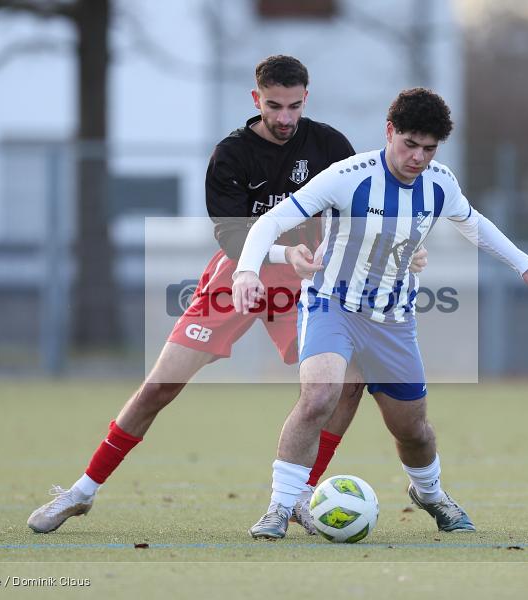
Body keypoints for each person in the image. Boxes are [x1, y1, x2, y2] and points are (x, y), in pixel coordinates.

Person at [27, 55, 427, 534]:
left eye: (294, 106)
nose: (284, 118)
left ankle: (300, 497)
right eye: (274, 106)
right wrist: (278, 258)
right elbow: (231, 236)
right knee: (160, 386)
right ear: (256, 99)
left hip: (309, 283)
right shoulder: (231, 154)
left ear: (306, 99)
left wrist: (402, 250)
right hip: (237, 276)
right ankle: (81, 492)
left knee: (345, 382)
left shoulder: (329, 145)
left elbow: (364, 209)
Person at [232, 87, 528, 539]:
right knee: (318, 398)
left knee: (413, 431)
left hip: (393, 320)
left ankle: (429, 494)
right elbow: (272, 220)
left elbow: (475, 225)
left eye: (428, 148)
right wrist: (246, 272)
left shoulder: (440, 183)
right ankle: (280, 506)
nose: (418, 157)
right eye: (410, 144)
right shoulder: (347, 176)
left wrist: (525, 265)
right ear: (389, 132)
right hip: (332, 304)